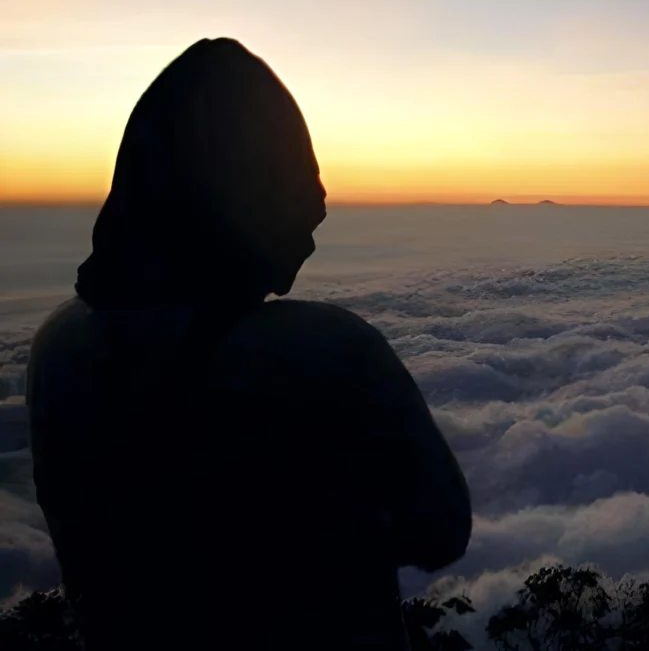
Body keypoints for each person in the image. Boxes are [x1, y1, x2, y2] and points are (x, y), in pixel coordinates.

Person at [25, 38, 471, 649]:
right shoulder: (330, 353)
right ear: (239, 198)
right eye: (290, 215)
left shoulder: (54, 346)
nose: (307, 247)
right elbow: (441, 531)